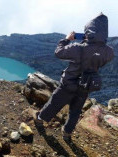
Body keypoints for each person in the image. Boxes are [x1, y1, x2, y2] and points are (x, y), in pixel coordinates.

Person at [29, 13, 114, 141]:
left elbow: (58, 52)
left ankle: (40, 119)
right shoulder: (108, 51)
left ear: (89, 31)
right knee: (75, 111)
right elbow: (103, 57)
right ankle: (67, 133)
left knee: (54, 103)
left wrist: (68, 39)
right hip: (85, 86)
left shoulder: (77, 47)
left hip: (68, 84)